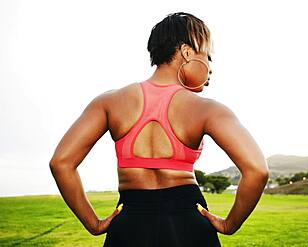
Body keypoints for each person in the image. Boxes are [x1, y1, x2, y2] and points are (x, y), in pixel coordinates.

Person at [49, 12, 269, 247]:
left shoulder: (109, 102)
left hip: (129, 222)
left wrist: (94, 224)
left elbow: (61, 163)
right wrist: (229, 224)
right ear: (186, 52)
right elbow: (257, 170)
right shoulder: (207, 109)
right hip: (188, 222)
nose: (210, 68)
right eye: (208, 56)